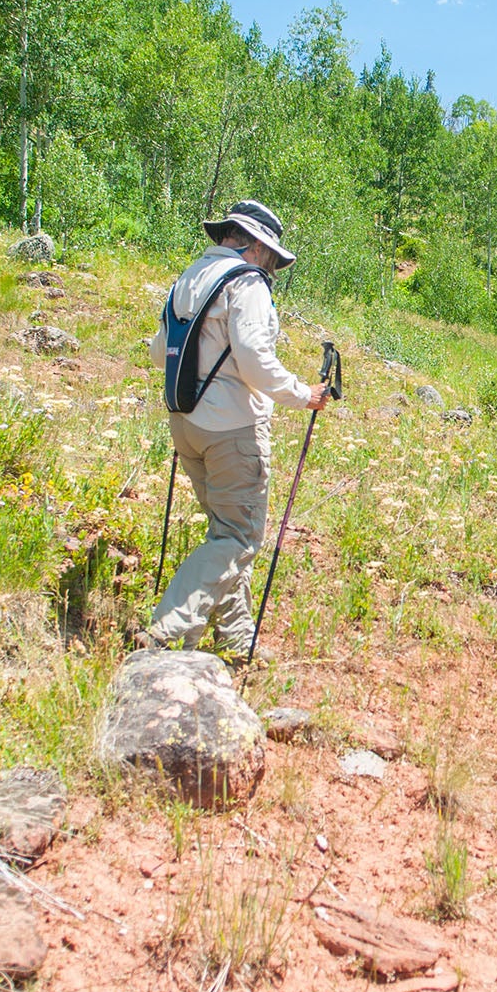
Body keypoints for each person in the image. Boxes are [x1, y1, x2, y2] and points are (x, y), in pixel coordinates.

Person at [141, 201, 329, 658]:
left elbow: (156, 351)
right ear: (257, 246)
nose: (273, 269)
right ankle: (165, 630)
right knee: (237, 538)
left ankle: (237, 639)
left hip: (185, 423)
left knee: (225, 532)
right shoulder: (246, 284)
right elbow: (254, 359)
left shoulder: (189, 277)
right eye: (272, 258)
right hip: (232, 430)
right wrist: (303, 393)